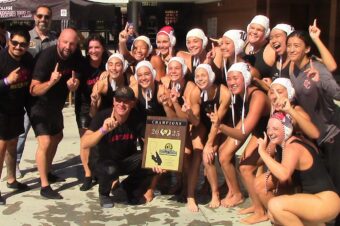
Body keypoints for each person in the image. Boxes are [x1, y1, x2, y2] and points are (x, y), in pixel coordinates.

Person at [286, 31, 340, 224]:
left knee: (336, 181)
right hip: (315, 135)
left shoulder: (316, 67)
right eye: (289, 44)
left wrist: (321, 82)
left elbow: (338, 93)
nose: (291, 49)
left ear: (307, 49)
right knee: (324, 183)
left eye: (297, 45)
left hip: (333, 132)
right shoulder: (292, 68)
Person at [207, 62, 270, 223]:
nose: (231, 82)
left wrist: (220, 126)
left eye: (236, 78)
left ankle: (261, 211)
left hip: (274, 133)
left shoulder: (258, 96)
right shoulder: (242, 94)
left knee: (245, 167)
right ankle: (254, 204)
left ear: (246, 78)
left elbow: (242, 134)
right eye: (229, 79)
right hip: (261, 131)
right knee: (226, 154)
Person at [257, 112, 340, 226]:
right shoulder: (292, 142)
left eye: (275, 129)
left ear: (286, 129)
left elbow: (284, 174)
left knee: (275, 205)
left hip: (326, 201)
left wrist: (262, 151)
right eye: (268, 128)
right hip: (316, 200)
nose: (270, 132)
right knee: (273, 215)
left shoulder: (293, 147)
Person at [29, 28, 81, 199]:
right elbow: (34, 89)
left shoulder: (74, 55)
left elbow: (80, 72)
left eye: (72, 43)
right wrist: (51, 82)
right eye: (65, 42)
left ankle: (48, 170)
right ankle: (44, 186)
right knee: (45, 141)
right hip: (39, 104)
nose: (68, 46)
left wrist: (75, 83)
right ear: (58, 41)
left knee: (57, 136)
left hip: (55, 105)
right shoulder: (47, 57)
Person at [81, 86, 152, 208]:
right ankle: (104, 193)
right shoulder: (102, 116)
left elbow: (149, 141)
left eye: (126, 101)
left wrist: (159, 161)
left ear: (133, 103)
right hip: (102, 161)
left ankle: (126, 187)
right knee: (110, 169)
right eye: (118, 100)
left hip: (125, 160)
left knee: (151, 162)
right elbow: (84, 143)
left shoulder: (137, 118)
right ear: (113, 101)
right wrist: (103, 130)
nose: (121, 104)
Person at [15, 5, 58, 178]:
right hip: (25, 94)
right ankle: (15, 163)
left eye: (46, 17)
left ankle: (46, 167)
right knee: (21, 131)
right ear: (34, 17)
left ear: (51, 18)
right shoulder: (25, 38)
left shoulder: (55, 39)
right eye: (40, 16)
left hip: (47, 95)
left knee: (49, 135)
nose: (43, 20)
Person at [0, 28, 34, 205]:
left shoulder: (28, 59)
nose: (18, 47)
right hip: (1, 110)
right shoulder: (1, 59)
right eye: (15, 43)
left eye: (22, 44)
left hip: (17, 109)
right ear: (8, 42)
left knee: (13, 144)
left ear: (27, 46)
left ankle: (11, 179)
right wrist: (6, 81)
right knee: (1, 147)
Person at [75, 34, 109, 191]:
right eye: (90, 48)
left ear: (103, 48)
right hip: (85, 106)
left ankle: (100, 169)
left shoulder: (109, 63)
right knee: (86, 141)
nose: (93, 50)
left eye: (97, 47)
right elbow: (74, 84)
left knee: (103, 139)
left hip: (105, 106)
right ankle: (88, 174)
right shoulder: (82, 65)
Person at [89, 53, 130, 117]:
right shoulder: (101, 85)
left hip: (122, 119)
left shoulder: (130, 80)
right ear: (107, 67)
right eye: (110, 65)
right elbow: (92, 114)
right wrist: (94, 102)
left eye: (118, 65)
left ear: (123, 67)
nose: (113, 68)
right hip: (103, 120)